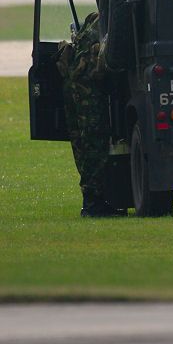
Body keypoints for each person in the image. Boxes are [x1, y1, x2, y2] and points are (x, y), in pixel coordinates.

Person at [56, 12, 121, 217]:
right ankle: (94, 204)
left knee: (83, 149)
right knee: (94, 147)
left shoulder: (87, 32)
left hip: (75, 95)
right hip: (88, 99)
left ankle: (92, 201)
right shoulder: (102, 30)